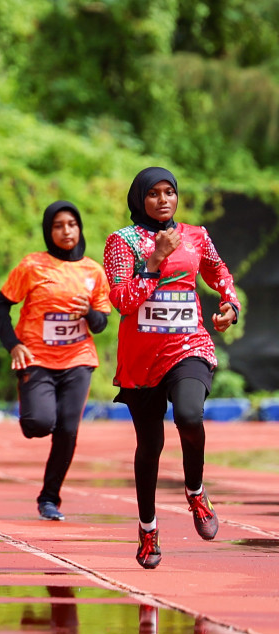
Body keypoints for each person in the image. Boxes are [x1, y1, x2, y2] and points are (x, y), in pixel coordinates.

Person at [105, 167, 239, 569]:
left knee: (188, 414)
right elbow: (122, 300)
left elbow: (219, 272)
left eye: (170, 192)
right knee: (150, 447)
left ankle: (196, 491)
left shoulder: (196, 235)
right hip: (142, 358)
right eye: (154, 194)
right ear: (138, 199)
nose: (163, 200)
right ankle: (148, 529)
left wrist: (229, 304)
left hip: (189, 344)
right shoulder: (121, 241)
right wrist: (155, 261)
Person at [0, 201, 112, 521]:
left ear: (80, 228)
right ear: (49, 231)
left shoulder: (93, 271)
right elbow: (0, 307)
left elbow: (100, 324)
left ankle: (49, 499)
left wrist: (87, 311)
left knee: (68, 430)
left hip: (78, 359)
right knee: (39, 424)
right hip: (36, 358)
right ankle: (33, 412)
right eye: (58, 225)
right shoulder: (33, 266)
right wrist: (13, 345)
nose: (66, 230)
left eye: (71, 224)